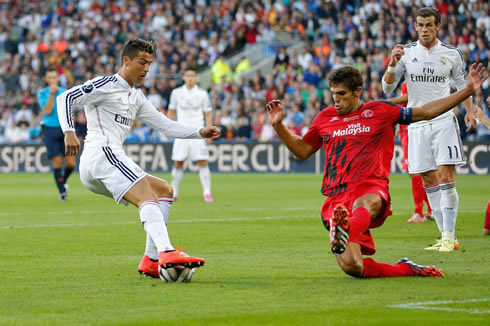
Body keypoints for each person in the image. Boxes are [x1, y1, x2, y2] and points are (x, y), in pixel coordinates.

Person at [266, 64, 486, 278]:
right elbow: (303, 151)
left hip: (371, 188)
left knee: (362, 204)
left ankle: (343, 230)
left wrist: (466, 91)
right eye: (333, 93)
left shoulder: (379, 111)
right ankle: (406, 268)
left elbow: (426, 111)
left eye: (342, 93)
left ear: (357, 92)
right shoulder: (325, 118)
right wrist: (278, 126)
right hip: (336, 197)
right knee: (353, 266)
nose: (336, 99)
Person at [56, 39, 220, 278]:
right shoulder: (107, 84)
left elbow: (165, 125)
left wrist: (199, 132)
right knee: (145, 194)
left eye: (149, 64)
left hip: (105, 162)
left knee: (164, 190)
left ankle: (151, 259)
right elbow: (65, 98)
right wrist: (69, 131)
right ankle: (167, 251)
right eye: (142, 62)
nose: (146, 69)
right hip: (101, 154)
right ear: (126, 60)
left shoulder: (136, 97)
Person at [382, 7, 477, 252]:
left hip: (444, 121)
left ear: (437, 26)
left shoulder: (452, 54)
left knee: (446, 177)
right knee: (427, 178)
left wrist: (470, 111)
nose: (424, 29)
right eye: (420, 25)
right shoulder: (406, 53)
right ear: (415, 26)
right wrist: (392, 64)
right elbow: (388, 89)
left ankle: (449, 235)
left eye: (429, 25)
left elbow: (462, 86)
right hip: (416, 124)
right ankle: (446, 237)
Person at [167, 67, 214, 203]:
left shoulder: (202, 94)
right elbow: (171, 112)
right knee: (178, 162)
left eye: (192, 76)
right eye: (188, 75)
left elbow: (208, 114)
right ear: (184, 77)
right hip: (181, 131)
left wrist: (209, 133)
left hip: (198, 131)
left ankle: (207, 192)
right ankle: (174, 192)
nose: (190, 78)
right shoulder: (176, 93)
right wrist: (167, 129)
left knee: (202, 161)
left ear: (196, 78)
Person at [389, 82, 432, 223]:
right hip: (406, 128)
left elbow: (409, 98)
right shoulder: (408, 81)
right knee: (417, 171)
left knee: (414, 171)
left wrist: (389, 103)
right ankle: (431, 210)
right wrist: (399, 124)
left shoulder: (412, 80)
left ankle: (418, 212)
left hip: (411, 128)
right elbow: (405, 103)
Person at [37, 66, 75, 202]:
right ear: (46, 79)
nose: (52, 80)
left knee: (71, 164)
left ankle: (62, 182)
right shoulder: (42, 93)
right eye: (50, 77)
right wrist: (52, 95)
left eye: (54, 77)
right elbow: (47, 111)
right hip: (50, 130)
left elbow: (70, 112)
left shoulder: (64, 92)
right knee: (57, 161)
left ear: (57, 78)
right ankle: (62, 192)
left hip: (64, 129)